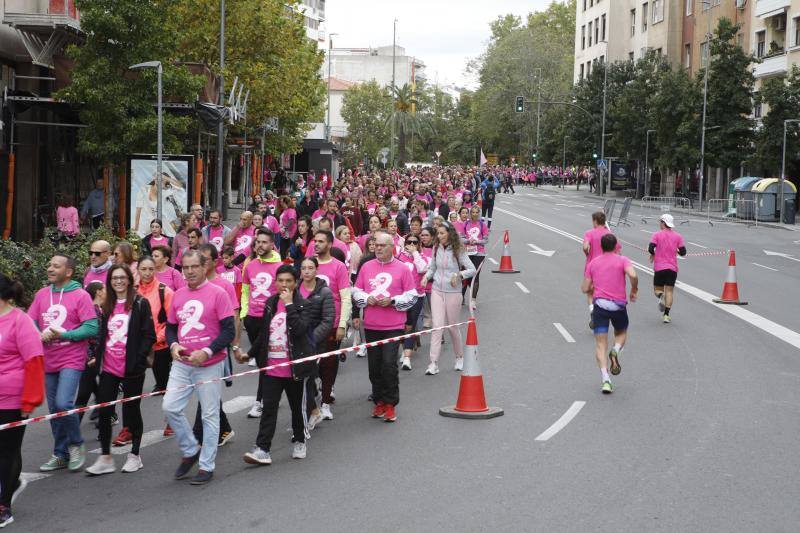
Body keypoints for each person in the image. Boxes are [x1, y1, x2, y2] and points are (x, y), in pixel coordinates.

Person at [240, 264, 325, 466]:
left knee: (297, 408)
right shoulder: (270, 303)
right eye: (280, 280)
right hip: (272, 368)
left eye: (288, 281)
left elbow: (300, 329)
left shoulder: (305, 304)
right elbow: (264, 334)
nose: (284, 285)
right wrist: (249, 354)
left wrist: (289, 305)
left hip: (295, 368)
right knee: (269, 408)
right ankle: (262, 449)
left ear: (296, 284)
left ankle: (299, 440)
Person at [162, 250, 235, 485]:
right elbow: (171, 327)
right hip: (182, 364)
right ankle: (191, 449)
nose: (190, 271)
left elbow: (228, 330)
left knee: (210, 415)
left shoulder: (218, 293)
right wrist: (173, 344)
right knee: (170, 406)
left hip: (210, 365)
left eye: (194, 267)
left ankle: (206, 465)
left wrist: (207, 351)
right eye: (185, 267)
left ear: (205, 267)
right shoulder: (179, 295)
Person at [28, 254, 98, 472]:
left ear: (68, 272)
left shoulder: (80, 295)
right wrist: (39, 334)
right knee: (53, 409)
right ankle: (60, 453)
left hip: (71, 357)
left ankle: (76, 444)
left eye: (55, 266)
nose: (50, 268)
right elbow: (29, 321)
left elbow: (91, 327)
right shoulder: (41, 295)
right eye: (49, 264)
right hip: (49, 359)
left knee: (63, 403)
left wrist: (65, 334)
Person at [84, 264, 155, 475]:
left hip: (132, 368)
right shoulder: (107, 305)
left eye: (122, 277)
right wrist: (98, 358)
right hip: (109, 368)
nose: (118, 281)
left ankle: (135, 455)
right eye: (114, 278)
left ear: (129, 280)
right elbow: (103, 334)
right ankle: (106, 457)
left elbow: (149, 335)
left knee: (131, 412)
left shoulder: (140, 303)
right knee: (105, 411)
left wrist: (138, 358)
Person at [352, 232, 418, 422]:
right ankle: (379, 401)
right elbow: (356, 291)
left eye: (382, 245)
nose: (378, 248)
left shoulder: (402, 268)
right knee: (374, 367)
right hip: (372, 325)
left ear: (392, 247)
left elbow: (412, 295)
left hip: (393, 325)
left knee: (389, 365)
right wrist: (367, 299)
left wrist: (394, 300)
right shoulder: (366, 266)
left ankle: (390, 404)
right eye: (375, 244)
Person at [0, 274, 44, 529]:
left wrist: (29, 401)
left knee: (6, 452)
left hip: (12, 399)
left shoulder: (20, 321)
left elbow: (34, 360)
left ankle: (4, 505)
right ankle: (12, 484)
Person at [191, 244, 240, 448]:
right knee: (206, 390)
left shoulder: (224, 286)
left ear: (214, 261)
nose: (200, 265)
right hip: (195, 347)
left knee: (207, 389)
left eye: (205, 260)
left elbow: (234, 315)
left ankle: (198, 435)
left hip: (217, 347)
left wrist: (235, 345)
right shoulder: (192, 284)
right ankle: (225, 428)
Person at [582, 234, 638, 394]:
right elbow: (633, 275)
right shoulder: (623, 260)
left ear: (601, 246)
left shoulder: (593, 263)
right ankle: (616, 350)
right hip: (618, 306)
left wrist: (593, 285)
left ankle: (606, 380)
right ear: (615, 246)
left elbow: (585, 288)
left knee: (600, 345)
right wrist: (634, 289)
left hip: (600, 306)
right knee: (621, 333)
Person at [422, 223, 475, 375]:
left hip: (453, 292)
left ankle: (459, 357)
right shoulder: (436, 248)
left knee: (452, 327)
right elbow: (433, 267)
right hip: (437, 290)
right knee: (437, 327)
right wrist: (426, 277)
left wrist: (459, 275)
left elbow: (471, 269)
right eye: (437, 234)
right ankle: (433, 363)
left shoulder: (459, 249)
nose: (439, 236)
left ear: (449, 233)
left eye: (442, 233)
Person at [240, 229, 283, 418]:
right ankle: (267, 394)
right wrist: (244, 314)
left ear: (272, 244)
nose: (260, 245)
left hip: (270, 320)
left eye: (264, 242)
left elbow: (283, 295)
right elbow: (246, 291)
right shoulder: (250, 266)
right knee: (260, 361)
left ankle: (260, 401)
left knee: (265, 360)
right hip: (252, 318)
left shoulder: (279, 266)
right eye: (257, 242)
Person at [311, 231, 351, 421]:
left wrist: (342, 324)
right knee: (310, 366)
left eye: (321, 241)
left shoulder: (339, 267)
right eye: (315, 241)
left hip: (331, 323)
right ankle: (313, 398)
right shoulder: (309, 264)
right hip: (309, 324)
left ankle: (326, 402)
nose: (316, 244)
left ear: (329, 244)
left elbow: (345, 297)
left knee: (328, 365)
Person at [136, 257, 174, 399]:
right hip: (138, 346)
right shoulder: (132, 291)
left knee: (164, 386)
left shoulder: (165, 291)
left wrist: (155, 339)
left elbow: (172, 321)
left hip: (159, 345)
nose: (147, 273)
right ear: (138, 270)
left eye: (151, 269)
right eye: (143, 269)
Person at [396, 233, 430, 371]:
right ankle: (403, 348)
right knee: (400, 326)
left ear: (419, 245)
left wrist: (415, 253)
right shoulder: (398, 257)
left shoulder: (423, 258)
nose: (411, 245)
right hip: (401, 297)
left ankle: (407, 357)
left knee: (411, 326)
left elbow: (422, 269)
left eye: (415, 242)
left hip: (417, 296)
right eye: (409, 242)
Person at [582, 211, 618, 330]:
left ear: (595, 221)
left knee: (590, 292)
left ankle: (593, 311)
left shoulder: (589, 233)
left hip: (592, 266)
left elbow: (585, 247)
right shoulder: (610, 234)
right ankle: (600, 315)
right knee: (602, 293)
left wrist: (587, 253)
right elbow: (618, 252)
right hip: (607, 268)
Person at [649, 214, 686, 324]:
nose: (659, 224)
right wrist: (676, 251)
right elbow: (683, 252)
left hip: (660, 267)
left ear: (663, 223)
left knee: (657, 290)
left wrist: (653, 254)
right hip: (672, 268)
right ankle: (666, 315)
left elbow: (651, 248)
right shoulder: (678, 236)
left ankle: (661, 296)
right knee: (669, 291)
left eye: (660, 221)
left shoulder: (656, 235)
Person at [462, 205, 489, 305]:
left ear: (479, 213)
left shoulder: (483, 225)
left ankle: (473, 300)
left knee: (475, 275)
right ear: (470, 213)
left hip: (479, 253)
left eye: (476, 212)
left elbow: (486, 240)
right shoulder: (465, 224)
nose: (474, 214)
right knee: (466, 274)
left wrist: (477, 241)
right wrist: (468, 240)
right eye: (472, 212)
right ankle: (462, 297)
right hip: (467, 252)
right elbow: (461, 238)